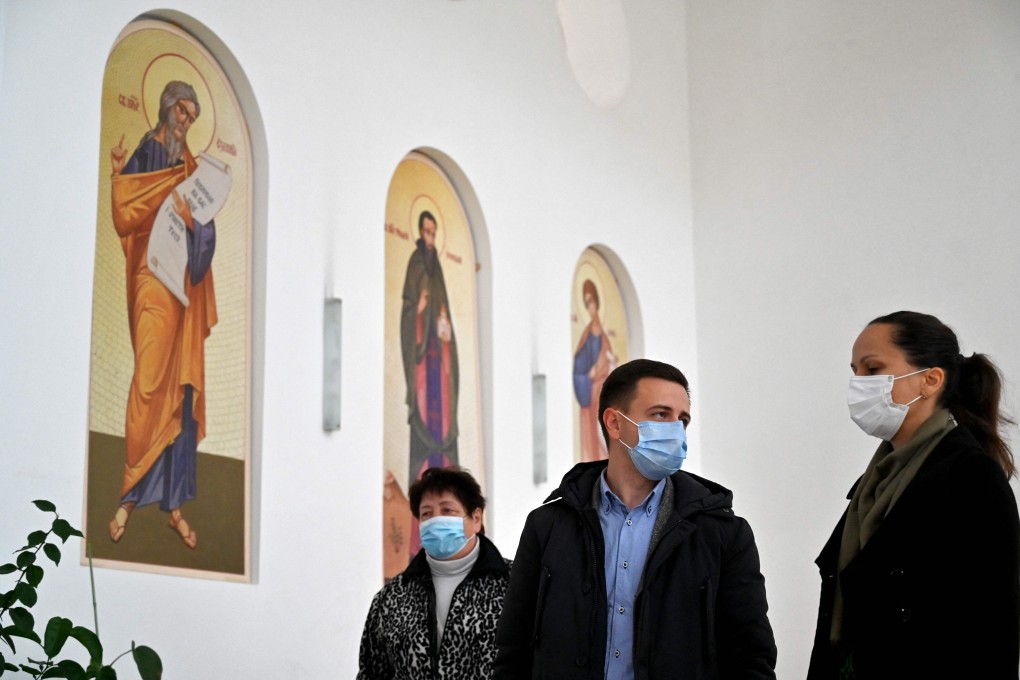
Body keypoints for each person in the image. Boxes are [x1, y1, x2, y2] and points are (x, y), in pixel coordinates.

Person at [494, 359, 777, 679]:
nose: (676, 430)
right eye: (661, 414)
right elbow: (513, 650)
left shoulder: (722, 533)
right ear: (615, 423)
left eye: (682, 420)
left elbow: (750, 658)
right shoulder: (547, 526)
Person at [808, 311, 1020, 679]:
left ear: (930, 380)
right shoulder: (874, 482)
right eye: (855, 371)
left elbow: (993, 622)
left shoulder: (971, 476)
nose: (859, 384)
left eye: (873, 369)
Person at [107, 80, 217, 549]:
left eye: (192, 117)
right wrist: (119, 177)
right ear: (166, 108)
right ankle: (129, 494)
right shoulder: (146, 154)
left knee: (182, 393)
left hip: (182, 290)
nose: (185, 122)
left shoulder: (191, 169)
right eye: (181, 112)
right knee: (150, 381)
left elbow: (206, 234)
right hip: (151, 279)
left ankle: (173, 507)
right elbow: (125, 212)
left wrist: (194, 225)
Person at [359, 467, 512, 679]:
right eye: (426, 514)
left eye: (447, 510)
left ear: (476, 518)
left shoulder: (515, 584)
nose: (435, 521)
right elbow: (371, 673)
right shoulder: (391, 598)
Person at [573, 279, 615, 462]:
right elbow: (579, 368)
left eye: (591, 301)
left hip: (604, 392)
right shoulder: (587, 335)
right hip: (593, 394)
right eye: (586, 303)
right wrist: (588, 376)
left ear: (597, 302)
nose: (590, 307)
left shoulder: (604, 337)